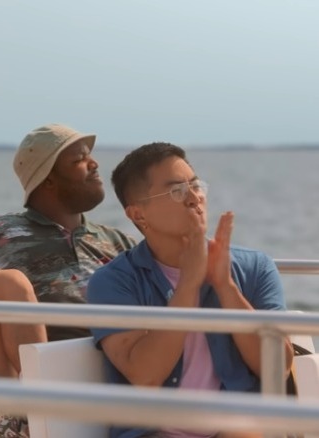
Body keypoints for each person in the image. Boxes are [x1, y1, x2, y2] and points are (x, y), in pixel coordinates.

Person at [87, 142, 294, 438]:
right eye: (176, 191)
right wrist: (189, 284)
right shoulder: (113, 282)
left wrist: (226, 286)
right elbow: (145, 376)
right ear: (137, 214)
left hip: (239, 425)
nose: (194, 197)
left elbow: (277, 369)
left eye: (196, 186)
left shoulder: (254, 267)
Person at [0, 124, 137, 377]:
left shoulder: (118, 242)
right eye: (79, 160)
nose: (94, 164)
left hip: (117, 368)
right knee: (8, 282)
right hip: (40, 373)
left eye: (90, 157)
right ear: (48, 179)